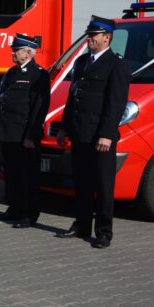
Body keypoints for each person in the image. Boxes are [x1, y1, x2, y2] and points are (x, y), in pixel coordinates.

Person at [56, 15, 131, 249]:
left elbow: (116, 103)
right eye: (89, 35)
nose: (89, 39)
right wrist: (64, 128)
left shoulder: (116, 65)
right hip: (80, 132)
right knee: (82, 183)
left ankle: (104, 231)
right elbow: (73, 98)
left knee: (103, 185)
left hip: (101, 136)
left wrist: (107, 134)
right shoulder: (82, 63)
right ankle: (81, 225)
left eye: (93, 35)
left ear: (107, 38)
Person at [0, 33, 50, 228]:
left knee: (28, 176)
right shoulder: (11, 73)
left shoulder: (38, 74)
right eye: (13, 50)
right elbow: (1, 103)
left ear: (28, 52)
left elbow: (39, 107)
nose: (13, 54)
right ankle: (14, 208)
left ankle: (29, 214)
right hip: (8, 133)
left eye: (16, 50)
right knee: (12, 175)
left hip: (24, 134)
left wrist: (31, 135)